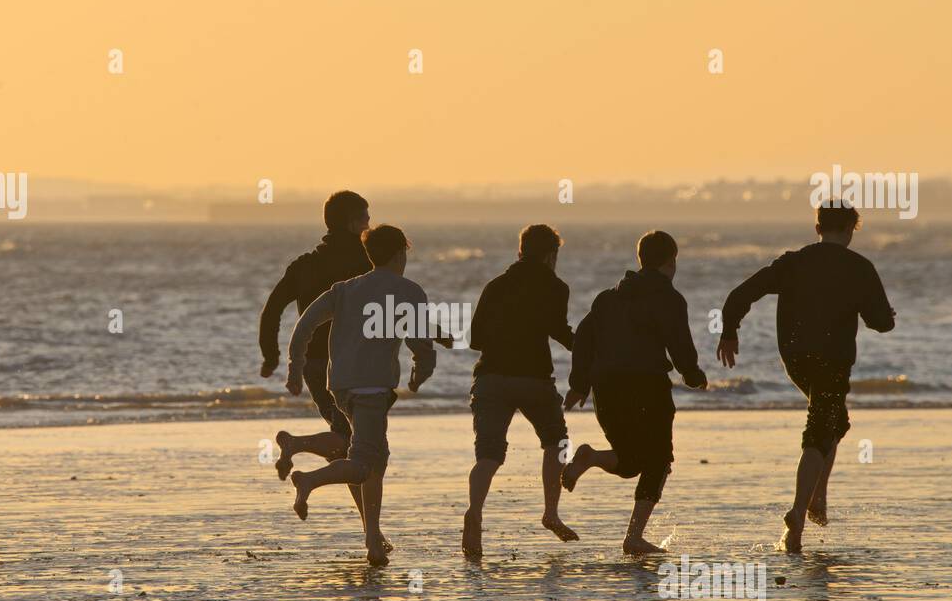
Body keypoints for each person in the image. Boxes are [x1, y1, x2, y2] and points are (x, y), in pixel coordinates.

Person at [716, 201, 895, 552]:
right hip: (834, 360)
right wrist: (888, 315)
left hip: (795, 359)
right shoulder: (859, 268)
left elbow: (741, 294)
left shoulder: (793, 263)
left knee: (836, 422)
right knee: (818, 431)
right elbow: (881, 323)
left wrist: (729, 331)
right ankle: (798, 512)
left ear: (817, 229)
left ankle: (817, 498)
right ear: (850, 230)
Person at [285, 224, 441, 567]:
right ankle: (308, 480)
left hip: (340, 387)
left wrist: (295, 366)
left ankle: (373, 539)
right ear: (400, 254)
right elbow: (420, 343)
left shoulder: (345, 289)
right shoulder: (408, 291)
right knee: (364, 463)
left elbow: (305, 324)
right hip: (371, 389)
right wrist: (421, 371)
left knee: (375, 462)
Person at [562, 230, 707, 554]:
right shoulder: (669, 298)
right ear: (672, 261)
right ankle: (633, 538)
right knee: (658, 459)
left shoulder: (607, 298)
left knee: (630, 461)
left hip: (607, 388)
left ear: (641, 260)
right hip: (647, 387)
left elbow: (584, 338)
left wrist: (579, 384)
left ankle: (591, 457)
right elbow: (679, 343)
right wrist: (693, 375)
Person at [257, 190, 388, 549]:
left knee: (349, 448)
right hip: (354, 366)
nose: (369, 226)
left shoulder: (303, 264)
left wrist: (271, 355)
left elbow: (272, 309)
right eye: (365, 219)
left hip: (316, 369)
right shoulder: (367, 262)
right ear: (352, 223)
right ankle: (297, 446)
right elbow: (391, 302)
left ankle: (370, 532)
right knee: (359, 447)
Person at [461, 224, 576, 558]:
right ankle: (551, 512)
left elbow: (475, 340)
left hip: (490, 379)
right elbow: (560, 332)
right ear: (551, 255)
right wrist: (589, 352)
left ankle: (475, 511)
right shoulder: (556, 287)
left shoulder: (495, 286)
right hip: (534, 380)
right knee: (557, 440)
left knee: (488, 454)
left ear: (521, 250)